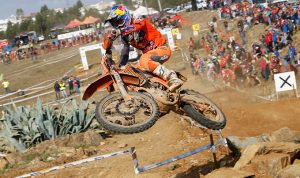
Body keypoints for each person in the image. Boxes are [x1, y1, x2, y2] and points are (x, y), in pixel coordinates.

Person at [103, 4, 183, 92]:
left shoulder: (138, 21)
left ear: (126, 17)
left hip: (162, 49)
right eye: (115, 24)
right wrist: (121, 66)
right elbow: (125, 52)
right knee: (133, 70)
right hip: (150, 57)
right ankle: (155, 92)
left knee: (143, 59)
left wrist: (120, 31)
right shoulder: (125, 36)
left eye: (119, 21)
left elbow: (136, 26)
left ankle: (173, 77)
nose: (118, 25)